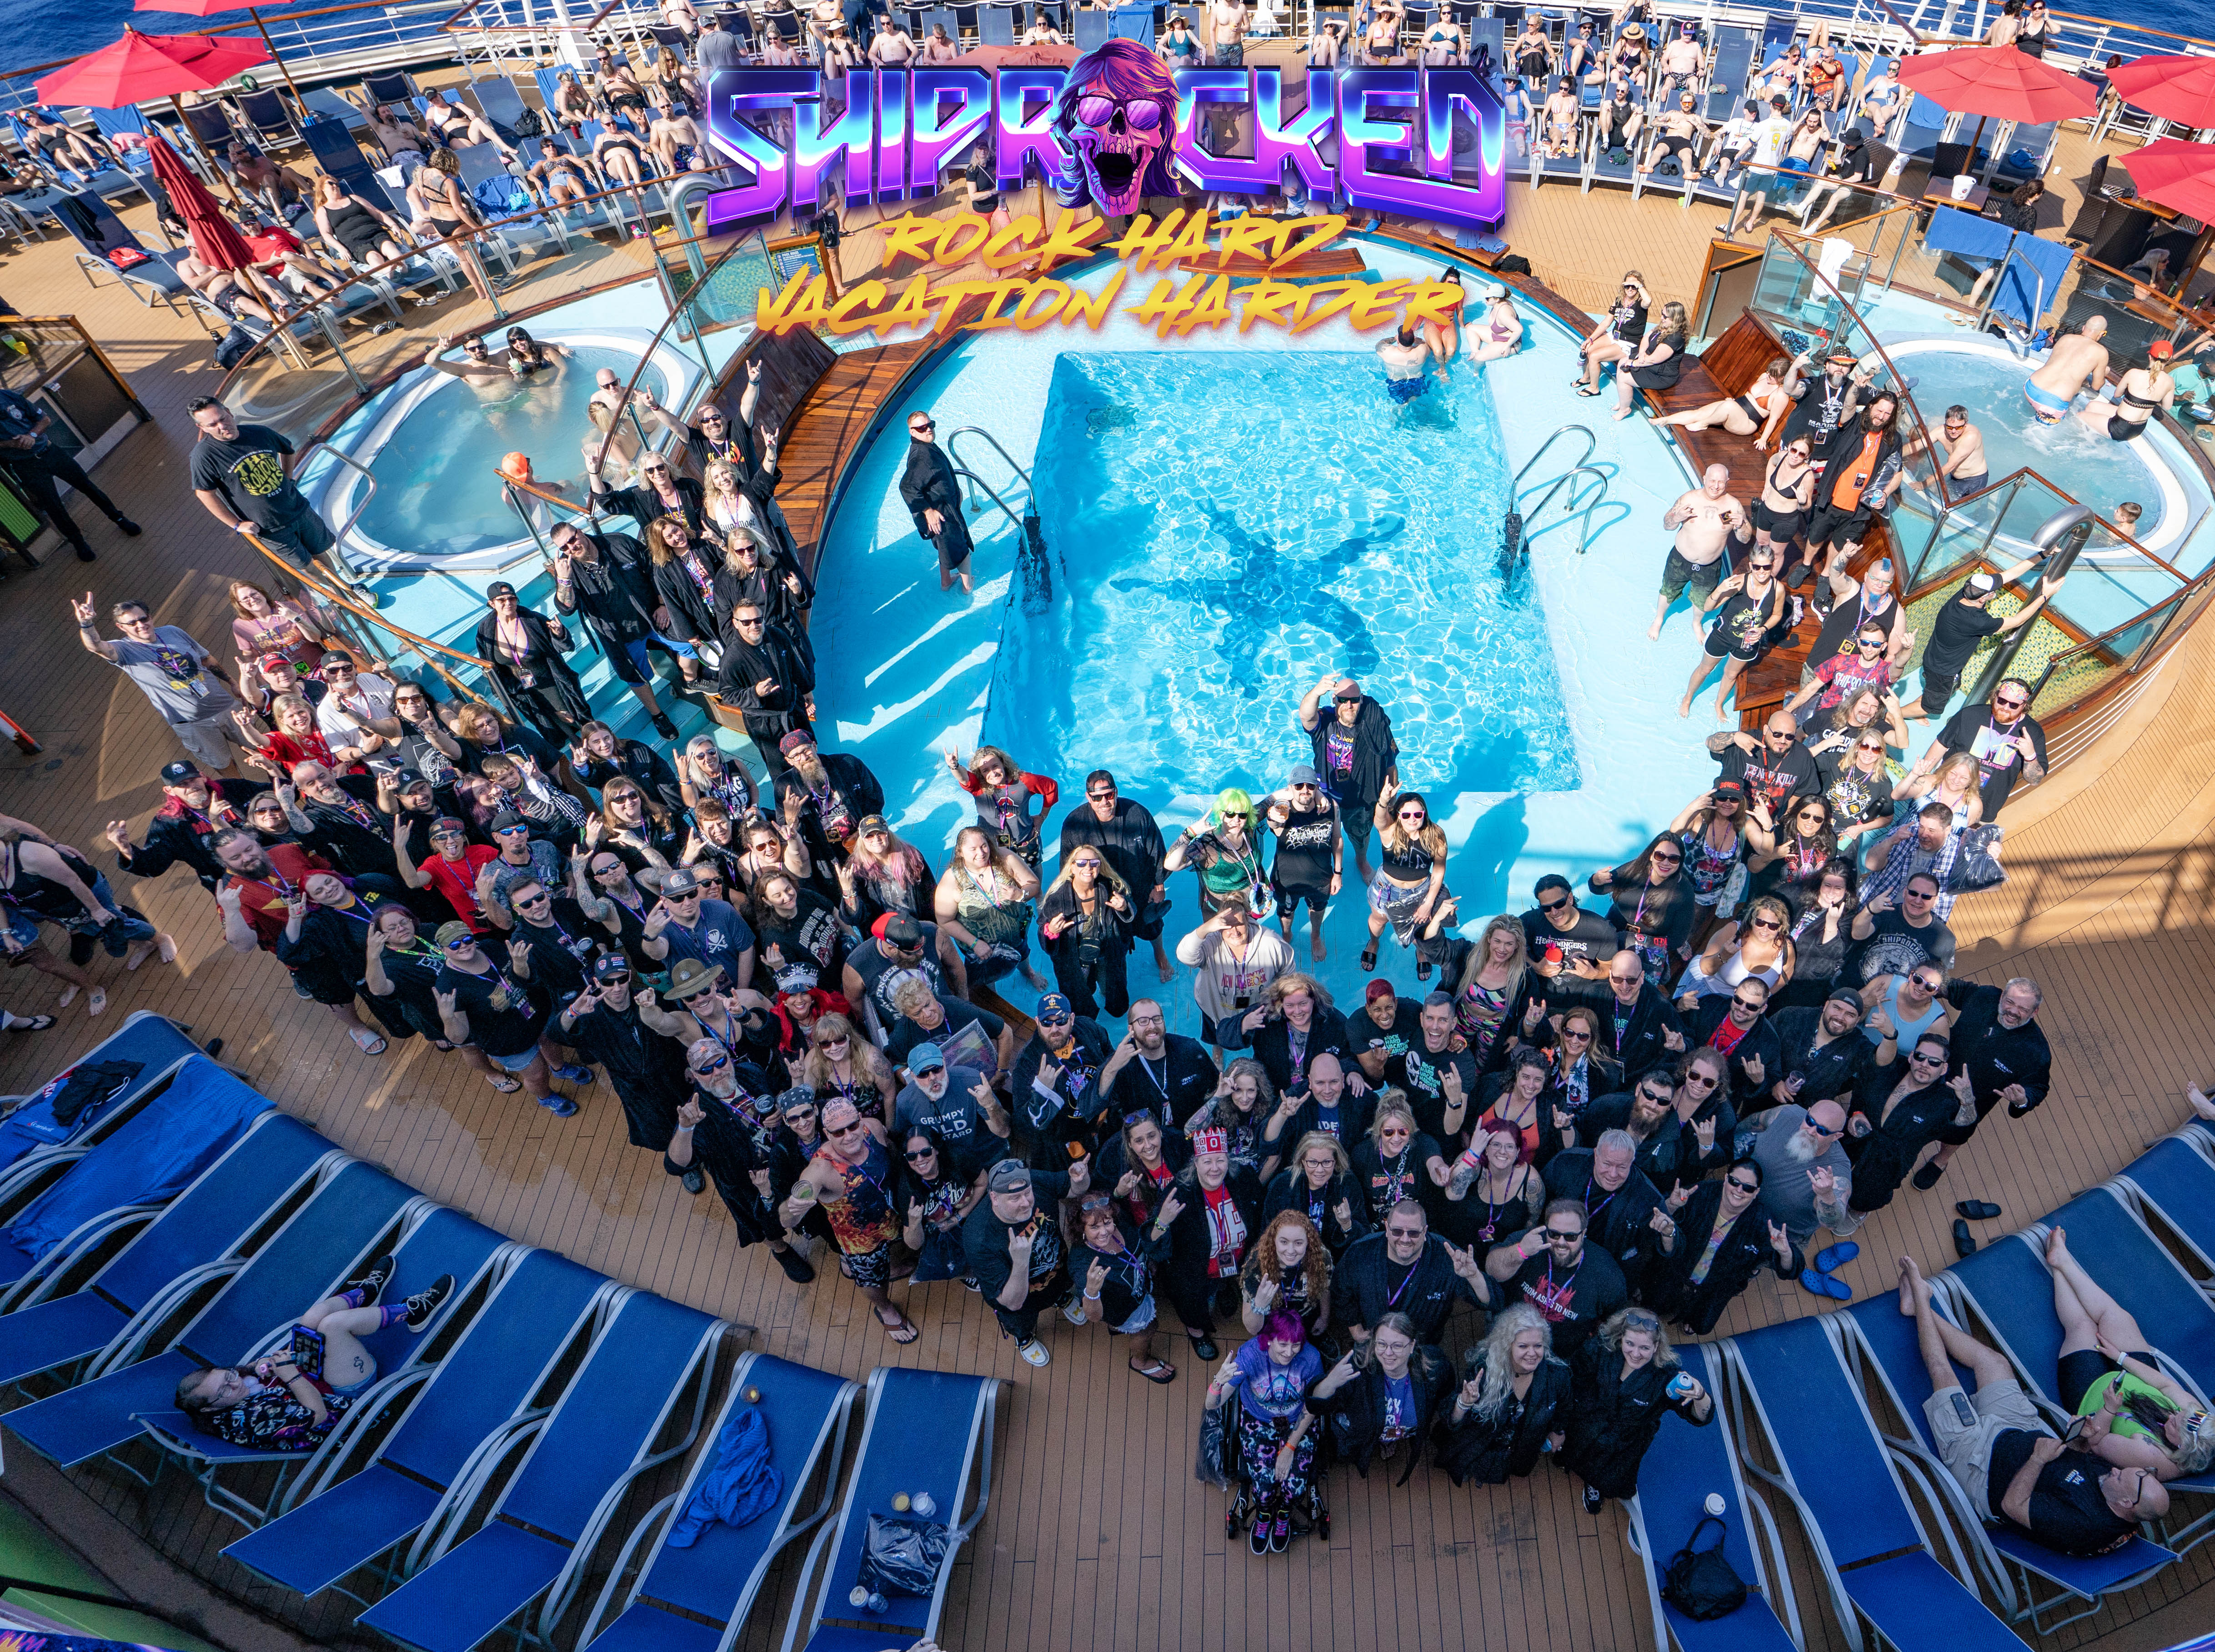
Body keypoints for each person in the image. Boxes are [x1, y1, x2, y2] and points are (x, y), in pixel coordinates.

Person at [1900, 1254, 2165, 1555]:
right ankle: (1919, 1307)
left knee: (1942, 1372)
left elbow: (2012, 1506)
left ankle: (1920, 1297)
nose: (2115, 1471)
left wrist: (2038, 1460)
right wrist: (2081, 1439)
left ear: (2126, 1504)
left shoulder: (2083, 1525)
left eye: (2119, 1476)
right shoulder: (2120, 1486)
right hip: (2023, 1431)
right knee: (1994, 1363)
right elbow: (2079, 1459)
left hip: (1981, 1464)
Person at [174, 1261, 453, 1451]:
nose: (235, 1383)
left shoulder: (236, 1388)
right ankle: (413, 1312)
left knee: (313, 1317)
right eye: (225, 1390)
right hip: (344, 1403)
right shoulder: (252, 1421)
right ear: (209, 1409)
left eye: (228, 1376)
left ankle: (365, 1294)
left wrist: (263, 1365)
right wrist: (291, 1376)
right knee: (334, 1326)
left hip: (310, 1377)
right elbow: (317, 1415)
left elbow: (251, 1374)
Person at [2045, 1226, 2215, 1485]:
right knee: (2117, 1318)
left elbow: (2095, 1444)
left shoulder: (2151, 1457)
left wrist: (2110, 1409)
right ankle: (2063, 1262)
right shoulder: (2198, 1422)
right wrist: (2121, 1357)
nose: (2173, 1414)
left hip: (2094, 1397)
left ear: (2180, 1445)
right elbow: (2165, 1385)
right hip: (2130, 1377)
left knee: (2083, 1327)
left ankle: (2058, 1269)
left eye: (2174, 1422)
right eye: (2179, 1413)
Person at [778, 1095, 914, 1341]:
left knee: (897, 1248)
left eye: (852, 1126)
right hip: (860, 1241)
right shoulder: (821, 1170)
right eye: (838, 1132)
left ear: (860, 1120)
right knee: (872, 1281)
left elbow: (893, 1155)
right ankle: (885, 1309)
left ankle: (894, 1267)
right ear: (827, 1134)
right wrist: (792, 1207)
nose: (849, 1136)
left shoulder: (873, 1128)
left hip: (892, 1216)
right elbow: (788, 1220)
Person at [72, 595, 246, 775]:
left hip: (225, 707)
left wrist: (233, 683)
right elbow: (96, 647)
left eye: (144, 619)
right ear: (121, 627)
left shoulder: (173, 632)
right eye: (132, 623)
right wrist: (86, 624)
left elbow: (206, 659)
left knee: (259, 748)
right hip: (193, 724)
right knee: (223, 764)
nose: (141, 625)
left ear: (150, 617)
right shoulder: (123, 650)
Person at [1562, 1306, 1713, 1512]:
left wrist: (1701, 1396)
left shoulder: (1667, 1377)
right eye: (1630, 1344)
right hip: (1588, 1422)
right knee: (1573, 1452)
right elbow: (1576, 1378)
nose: (1635, 1354)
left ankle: (1595, 1485)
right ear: (1621, 1337)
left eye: (1644, 1348)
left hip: (1626, 1442)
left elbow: (1702, 1417)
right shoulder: (1601, 1348)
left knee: (1608, 1477)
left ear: (1656, 1346)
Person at [187, 399, 353, 585]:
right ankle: (338, 592)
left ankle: (344, 587)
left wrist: (288, 478)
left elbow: (287, 450)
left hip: (297, 508)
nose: (222, 426)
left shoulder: (259, 433)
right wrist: (237, 525)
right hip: (268, 528)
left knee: (320, 551)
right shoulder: (204, 456)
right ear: (202, 428)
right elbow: (204, 494)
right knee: (306, 565)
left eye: (223, 418)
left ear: (229, 412)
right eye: (213, 425)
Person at [1205, 1311, 1324, 1556]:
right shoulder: (1251, 1355)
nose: (1289, 1352)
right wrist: (1218, 1382)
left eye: (1296, 1345)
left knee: (1295, 1488)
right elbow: (1213, 1405)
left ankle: (1283, 1516)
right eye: (1283, 1344)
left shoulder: (1311, 1358)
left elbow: (1313, 1406)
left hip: (1298, 1422)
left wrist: (1290, 1448)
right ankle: (1264, 1514)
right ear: (1269, 1339)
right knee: (1264, 1487)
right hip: (1259, 1422)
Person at [1913, 977, 2050, 1190]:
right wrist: (1923, 986)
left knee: (1956, 1135)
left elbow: (2039, 1088)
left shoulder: (2036, 1052)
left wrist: (2023, 1099)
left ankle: (1941, 1160)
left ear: (2035, 1012)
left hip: (1971, 1103)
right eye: (2010, 1002)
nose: (2013, 1011)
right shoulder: (1985, 996)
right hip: (1931, 1075)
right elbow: (1951, 988)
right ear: (2002, 997)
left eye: (2023, 1009)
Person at [1648, 1158, 1799, 1334]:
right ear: (1726, 1179)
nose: (1739, 1190)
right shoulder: (1702, 1193)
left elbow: (1789, 1269)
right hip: (1677, 1268)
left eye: (1748, 1188)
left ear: (1756, 1192)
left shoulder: (1762, 1222)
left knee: (1702, 1326)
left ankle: (1692, 1318)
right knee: (1654, 1303)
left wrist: (1786, 1253)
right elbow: (1662, 1218)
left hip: (1717, 1286)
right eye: (1735, 1182)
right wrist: (1672, 1205)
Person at [1307, 1312, 1454, 1485]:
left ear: (1412, 1346)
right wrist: (1329, 1383)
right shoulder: (1356, 1369)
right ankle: (1382, 1441)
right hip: (1365, 1434)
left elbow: (1446, 1391)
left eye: (1397, 1346)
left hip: (1404, 1431)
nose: (1388, 1353)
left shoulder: (1433, 1367)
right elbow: (1316, 1405)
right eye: (1382, 1344)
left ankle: (1389, 1441)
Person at [1436, 1304, 1572, 1486]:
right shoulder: (1483, 1370)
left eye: (1538, 1346)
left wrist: (1559, 1431)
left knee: (1514, 1469)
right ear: (1508, 1345)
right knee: (1464, 1464)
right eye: (1523, 1346)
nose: (1532, 1353)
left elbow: (1564, 1408)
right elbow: (1452, 1420)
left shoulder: (1558, 1376)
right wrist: (1464, 1403)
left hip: (1520, 1449)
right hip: (1477, 1445)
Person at [0, 385, 139, 561]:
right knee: (54, 507)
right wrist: (10, 444)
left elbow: (44, 419)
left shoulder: (9, 397)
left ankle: (119, 519)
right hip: (26, 466)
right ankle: (78, 542)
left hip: (50, 453)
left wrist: (31, 436)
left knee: (87, 486)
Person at [1061, 771, 1173, 985]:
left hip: (1139, 886)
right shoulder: (1075, 824)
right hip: (1101, 894)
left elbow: (1157, 852)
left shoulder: (1138, 814)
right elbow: (1068, 867)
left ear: (1116, 792)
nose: (1104, 802)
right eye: (1097, 797)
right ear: (1088, 797)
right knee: (1110, 940)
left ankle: (1160, 953)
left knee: (1151, 924)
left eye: (1109, 795)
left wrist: (1159, 886)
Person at [1484, 1199, 1629, 1362]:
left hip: (1563, 1360)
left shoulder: (1606, 1274)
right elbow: (1492, 1270)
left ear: (1584, 1234)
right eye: (1554, 1234)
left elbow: (1615, 1324)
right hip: (1511, 1347)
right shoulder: (1530, 1241)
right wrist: (1520, 1252)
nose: (1561, 1243)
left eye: (1571, 1237)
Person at [1297, 676, 1398, 884]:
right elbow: (1306, 717)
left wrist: (1391, 800)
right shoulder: (1325, 721)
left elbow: (1390, 763)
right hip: (1326, 797)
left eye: (1354, 700)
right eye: (1343, 700)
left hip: (1361, 799)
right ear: (1334, 700)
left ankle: (1361, 861)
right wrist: (1316, 692)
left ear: (1361, 699)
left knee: (1361, 836)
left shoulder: (1375, 723)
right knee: (1322, 836)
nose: (1349, 705)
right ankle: (1324, 865)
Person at [1927, 680, 2049, 821]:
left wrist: (2030, 755)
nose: (2005, 708)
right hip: (1942, 794)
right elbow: (1941, 745)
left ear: (2024, 706)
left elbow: (2035, 780)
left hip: (1981, 810)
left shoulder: (2033, 732)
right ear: (1995, 696)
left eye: (2014, 705)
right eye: (2002, 701)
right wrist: (1924, 778)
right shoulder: (1971, 714)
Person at [1651, 466, 1744, 640]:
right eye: (1712, 481)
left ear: (1727, 482)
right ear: (1704, 479)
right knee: (1668, 590)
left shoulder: (1732, 507)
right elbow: (1667, 525)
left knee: (1702, 600)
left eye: (1721, 482)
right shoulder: (1690, 500)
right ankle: (1659, 619)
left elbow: (1744, 539)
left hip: (1709, 566)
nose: (1716, 486)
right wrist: (1677, 517)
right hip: (1680, 560)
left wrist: (1742, 526)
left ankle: (1696, 623)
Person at [1259, 766, 1341, 962]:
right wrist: (1273, 816)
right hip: (1287, 882)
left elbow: (1337, 839)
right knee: (1286, 912)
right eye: (1299, 786)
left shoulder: (1331, 808)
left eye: (1310, 786)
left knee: (1318, 910)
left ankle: (1315, 936)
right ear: (1290, 789)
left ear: (1316, 788)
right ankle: (1287, 934)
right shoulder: (1284, 811)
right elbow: (1274, 823)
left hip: (1321, 879)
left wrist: (1338, 873)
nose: (1305, 790)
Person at [1100, 998, 1220, 1129]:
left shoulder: (1190, 1050)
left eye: (1157, 1019)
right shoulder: (1121, 1063)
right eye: (1143, 1021)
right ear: (1131, 1029)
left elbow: (1216, 1088)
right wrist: (1112, 1068)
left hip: (1191, 1133)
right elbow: (1095, 1104)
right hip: (1145, 1139)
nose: (1152, 1026)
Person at [897, 410, 974, 593]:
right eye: (922, 428)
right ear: (912, 432)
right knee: (961, 549)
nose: (928, 430)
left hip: (941, 509)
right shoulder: (922, 457)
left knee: (944, 547)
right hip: (942, 514)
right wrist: (928, 510)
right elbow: (906, 487)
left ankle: (946, 582)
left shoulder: (924, 447)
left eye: (930, 425)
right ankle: (968, 587)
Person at [1265, 1130, 1368, 1257]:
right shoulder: (1282, 1185)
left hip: (1336, 1260)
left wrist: (1347, 1224)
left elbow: (1363, 1240)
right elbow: (1267, 1233)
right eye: (1313, 1162)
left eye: (1327, 1162)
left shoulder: (1347, 1184)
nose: (1320, 1170)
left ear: (1336, 1161)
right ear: (1303, 1161)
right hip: (1291, 1258)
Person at [2025, 316, 2110, 426]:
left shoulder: (2066, 338)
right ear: (2102, 334)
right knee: (2042, 432)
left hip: (2031, 387)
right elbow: (2096, 386)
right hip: (2052, 405)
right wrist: (2104, 373)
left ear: (2084, 328)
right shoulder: (2101, 352)